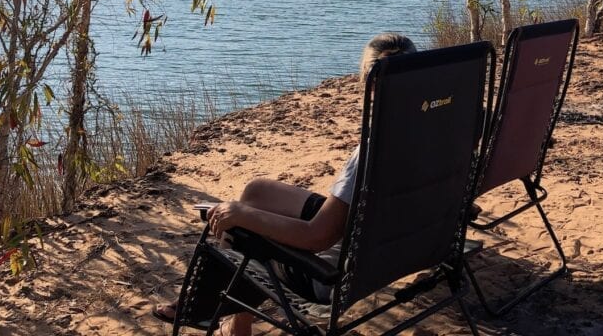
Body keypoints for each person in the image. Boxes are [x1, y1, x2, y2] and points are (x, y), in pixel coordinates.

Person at [153, 33, 417, 335]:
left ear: (367, 85)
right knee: (257, 192)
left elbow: (316, 238)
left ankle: (217, 317)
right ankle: (239, 321)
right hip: (402, 244)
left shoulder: (373, 150)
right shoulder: (444, 129)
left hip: (335, 275)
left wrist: (242, 215)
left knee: (242, 229)